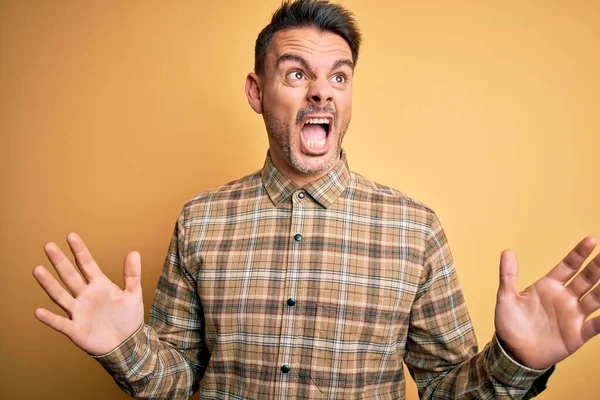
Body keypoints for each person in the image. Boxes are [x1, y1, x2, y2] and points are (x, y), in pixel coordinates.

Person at [33, 0, 600, 399]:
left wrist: (519, 361)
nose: (321, 90)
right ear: (258, 92)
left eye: (339, 76)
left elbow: (446, 395)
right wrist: (126, 348)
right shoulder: (200, 221)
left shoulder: (414, 230)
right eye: (296, 72)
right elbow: (178, 385)